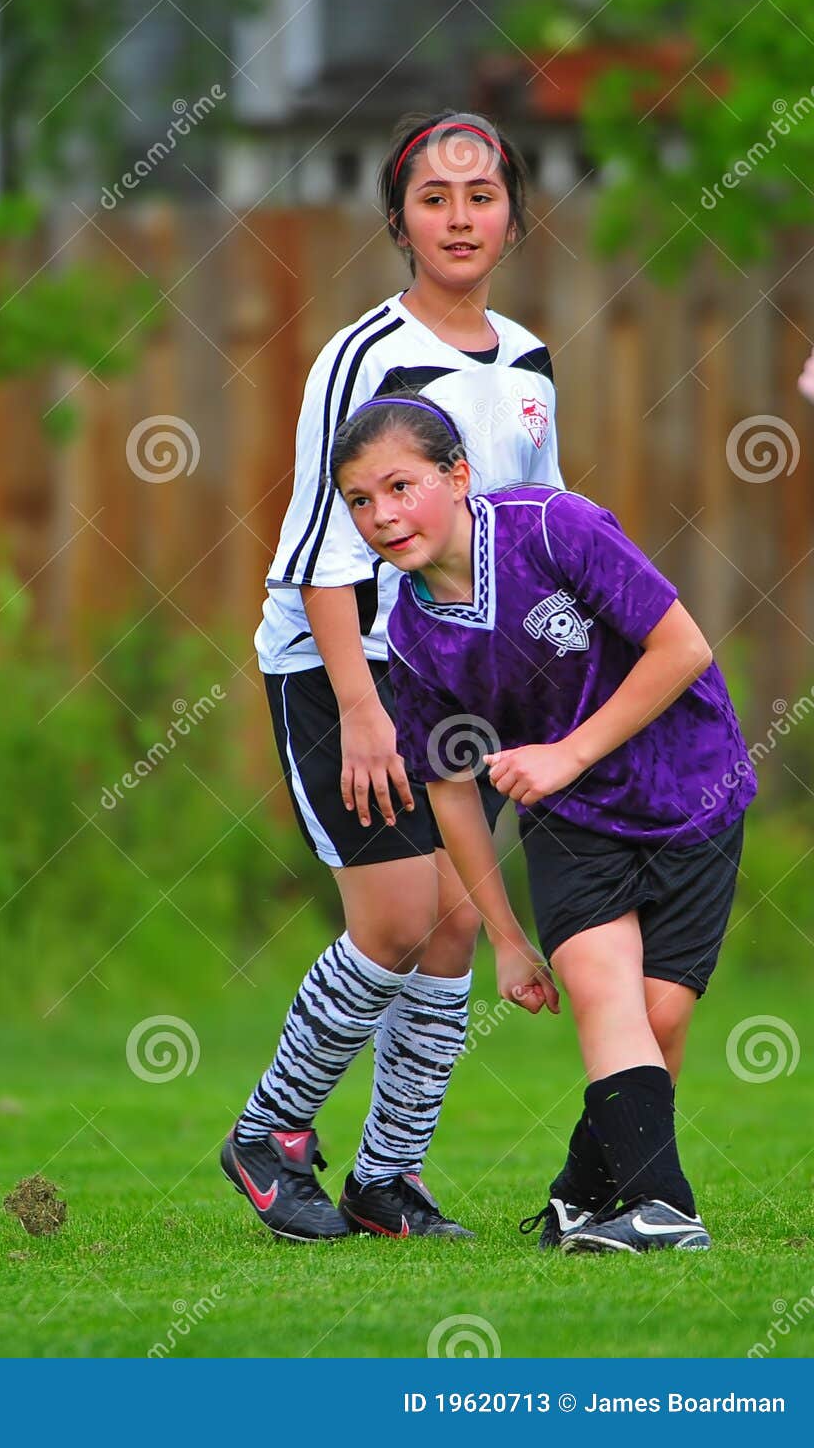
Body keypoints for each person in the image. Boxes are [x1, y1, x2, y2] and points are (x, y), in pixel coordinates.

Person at [224, 112, 562, 1242]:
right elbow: (320, 548)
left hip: (447, 674)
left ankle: (387, 1182)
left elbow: (533, 531)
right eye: (433, 197)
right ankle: (268, 1134)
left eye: (480, 195)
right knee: (400, 912)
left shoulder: (525, 362)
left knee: (460, 922)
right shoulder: (365, 352)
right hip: (340, 667)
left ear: (513, 213)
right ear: (398, 220)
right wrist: (362, 713)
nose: (459, 217)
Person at [331, 392, 756, 1253]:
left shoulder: (554, 528)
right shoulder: (410, 635)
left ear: (459, 476)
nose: (383, 516)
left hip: (694, 790)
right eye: (360, 502)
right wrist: (506, 936)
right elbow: (450, 788)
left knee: (659, 1019)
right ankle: (662, 1210)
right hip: (574, 824)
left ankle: (580, 1197)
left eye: (401, 486)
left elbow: (684, 650)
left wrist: (566, 751)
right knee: (606, 998)